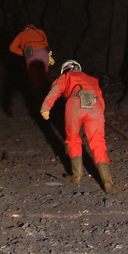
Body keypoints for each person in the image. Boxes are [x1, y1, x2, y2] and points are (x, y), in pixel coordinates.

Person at [40, 60, 115, 191]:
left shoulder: (66, 76)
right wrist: (98, 113)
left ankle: (77, 175)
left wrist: (46, 107)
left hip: (75, 103)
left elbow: (56, 90)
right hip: (95, 104)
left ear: (65, 70)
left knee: (73, 139)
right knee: (98, 142)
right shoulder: (91, 79)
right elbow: (101, 99)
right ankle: (108, 181)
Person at [9, 24, 52, 91]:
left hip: (31, 54)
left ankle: (36, 92)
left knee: (34, 77)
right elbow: (46, 46)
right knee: (44, 76)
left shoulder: (21, 34)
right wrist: (49, 56)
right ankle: (45, 92)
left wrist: (24, 53)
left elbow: (12, 48)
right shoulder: (41, 32)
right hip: (44, 53)